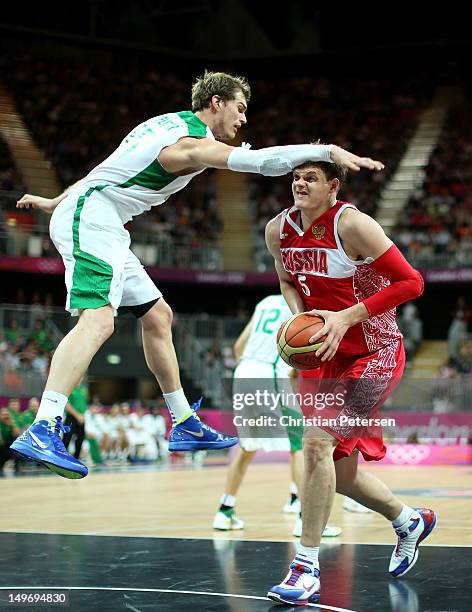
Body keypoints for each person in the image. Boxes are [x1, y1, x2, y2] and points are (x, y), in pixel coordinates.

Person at [10, 70, 383, 480]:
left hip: (101, 218)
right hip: (92, 219)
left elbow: (105, 168)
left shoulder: (162, 123)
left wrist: (57, 199)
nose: (243, 120)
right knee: (98, 321)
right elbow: (257, 162)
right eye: (239, 109)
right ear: (217, 103)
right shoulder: (186, 145)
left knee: (158, 317)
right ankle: (43, 427)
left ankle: (184, 420)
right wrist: (327, 150)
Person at [265, 160, 436, 606]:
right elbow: (286, 279)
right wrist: (298, 319)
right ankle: (408, 520)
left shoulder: (354, 224)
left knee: (316, 445)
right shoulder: (277, 231)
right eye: (295, 177)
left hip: (374, 352)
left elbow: (412, 282)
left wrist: (346, 317)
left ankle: (305, 567)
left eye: (311, 178)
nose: (300, 183)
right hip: (324, 356)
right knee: (336, 474)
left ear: (333, 186)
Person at [213, 293, 341, 539]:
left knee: (247, 445)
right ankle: (306, 519)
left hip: (243, 371)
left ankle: (225, 510)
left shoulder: (265, 302)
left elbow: (239, 346)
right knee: (301, 445)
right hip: (269, 371)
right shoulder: (302, 306)